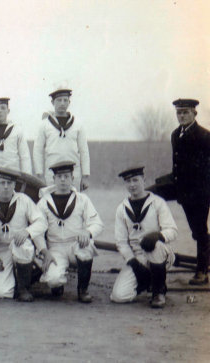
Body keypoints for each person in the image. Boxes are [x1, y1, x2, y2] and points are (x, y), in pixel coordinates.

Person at [110, 167, 178, 308]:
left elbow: (172, 230)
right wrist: (133, 263)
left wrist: (158, 235)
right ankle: (147, 281)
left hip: (160, 253)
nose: (132, 184)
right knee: (119, 296)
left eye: (136, 180)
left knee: (155, 246)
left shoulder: (158, 202)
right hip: (138, 256)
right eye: (128, 181)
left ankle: (158, 292)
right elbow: (121, 242)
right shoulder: (122, 208)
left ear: (143, 180)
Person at [38, 161, 103, 303]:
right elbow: (37, 230)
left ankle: (83, 290)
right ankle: (58, 284)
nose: (63, 180)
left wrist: (87, 232)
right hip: (55, 247)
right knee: (53, 280)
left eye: (66, 176)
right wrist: (45, 252)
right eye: (59, 176)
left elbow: (97, 223)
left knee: (86, 246)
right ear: (53, 179)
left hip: (75, 244)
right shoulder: (43, 202)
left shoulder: (82, 199)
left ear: (72, 179)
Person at [0, 168, 48, 302]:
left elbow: (42, 222)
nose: (6, 187)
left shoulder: (23, 200)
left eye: (9, 183)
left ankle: (24, 288)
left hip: (19, 244)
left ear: (14, 185)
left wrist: (27, 231)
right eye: (2, 183)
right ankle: (11, 282)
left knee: (25, 247)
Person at [169, 98, 210, 285]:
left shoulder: (204, 136)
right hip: (183, 191)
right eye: (179, 112)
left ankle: (202, 270)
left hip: (200, 192)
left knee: (199, 230)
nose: (182, 116)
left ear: (194, 113)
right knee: (196, 230)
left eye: (185, 112)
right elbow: (176, 165)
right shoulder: (175, 134)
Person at [33, 89, 90, 189]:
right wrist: (39, 175)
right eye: (59, 100)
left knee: (73, 201)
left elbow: (84, 150)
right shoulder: (44, 125)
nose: (62, 103)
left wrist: (85, 176)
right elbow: (37, 151)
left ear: (69, 102)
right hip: (51, 173)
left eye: (65, 100)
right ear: (52, 102)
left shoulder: (78, 124)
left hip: (73, 173)